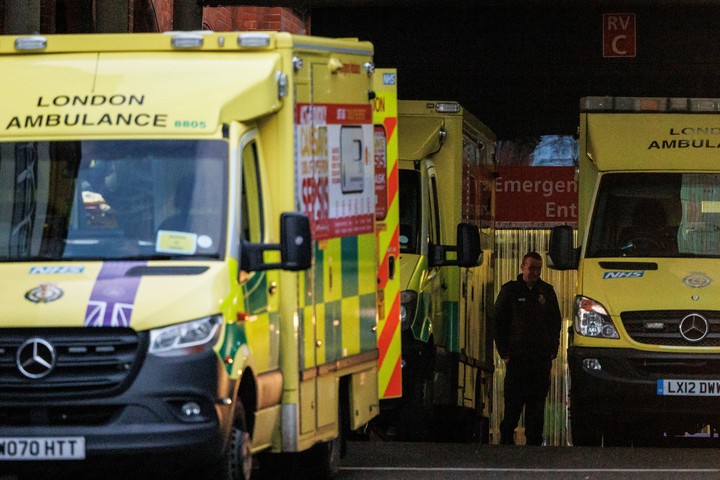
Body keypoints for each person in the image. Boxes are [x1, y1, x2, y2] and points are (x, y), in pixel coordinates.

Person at [493, 251, 562, 446]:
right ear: (522, 267)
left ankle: (534, 444)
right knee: (513, 403)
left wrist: (552, 351)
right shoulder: (510, 291)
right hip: (517, 359)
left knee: (537, 405)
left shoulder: (547, 292)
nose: (535, 272)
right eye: (531, 267)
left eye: (538, 269)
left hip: (540, 360)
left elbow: (555, 322)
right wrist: (504, 353)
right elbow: (498, 322)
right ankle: (506, 438)